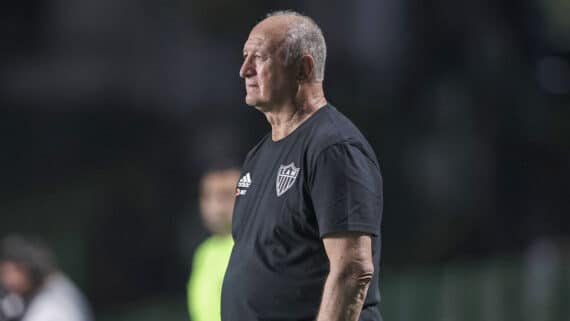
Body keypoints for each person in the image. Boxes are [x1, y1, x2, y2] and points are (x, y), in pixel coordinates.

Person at [221, 10, 384, 321]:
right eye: (245, 57)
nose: (244, 70)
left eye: (260, 57)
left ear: (303, 68)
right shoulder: (258, 156)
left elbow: (353, 269)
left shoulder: (333, 148)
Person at [187, 167, 241, 321]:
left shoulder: (259, 246)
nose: (215, 204)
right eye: (207, 195)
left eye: (225, 195)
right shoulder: (204, 252)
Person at [0, 235, 93, 321]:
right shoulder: (56, 285)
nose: (6, 279)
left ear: (31, 270)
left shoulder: (53, 306)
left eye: (11, 271)